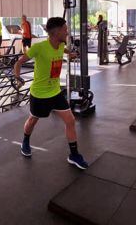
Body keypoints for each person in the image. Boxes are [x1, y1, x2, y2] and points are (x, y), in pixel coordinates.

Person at [13, 17, 88, 170]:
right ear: (56, 32)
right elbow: (19, 62)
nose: (67, 32)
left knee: (70, 120)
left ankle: (74, 155)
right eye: (65, 30)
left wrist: (70, 54)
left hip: (55, 92)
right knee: (33, 119)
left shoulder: (60, 45)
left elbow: (64, 50)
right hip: (39, 94)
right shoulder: (39, 47)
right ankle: (25, 141)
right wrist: (18, 77)